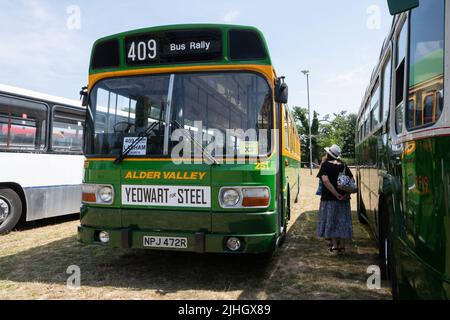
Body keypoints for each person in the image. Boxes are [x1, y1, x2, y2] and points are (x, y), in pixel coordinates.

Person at [316, 144, 354, 254]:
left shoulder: (325, 165)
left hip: (329, 199)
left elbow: (326, 181)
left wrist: (336, 194)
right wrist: (346, 194)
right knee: (342, 221)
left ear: (328, 154)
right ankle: (342, 246)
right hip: (344, 200)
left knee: (331, 221)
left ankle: (335, 246)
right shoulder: (343, 165)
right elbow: (352, 181)